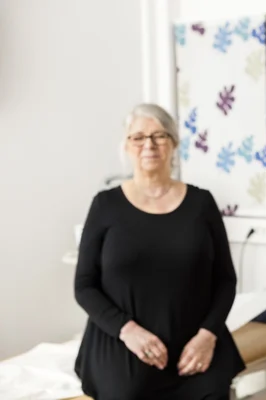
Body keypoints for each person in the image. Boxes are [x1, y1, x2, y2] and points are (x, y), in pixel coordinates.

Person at [74, 103, 245, 400]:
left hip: (194, 343)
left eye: (159, 135)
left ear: (174, 143)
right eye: (138, 137)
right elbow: (84, 285)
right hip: (124, 341)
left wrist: (207, 335)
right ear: (126, 146)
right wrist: (128, 331)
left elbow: (225, 280)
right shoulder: (105, 205)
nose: (148, 145)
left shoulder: (201, 203)